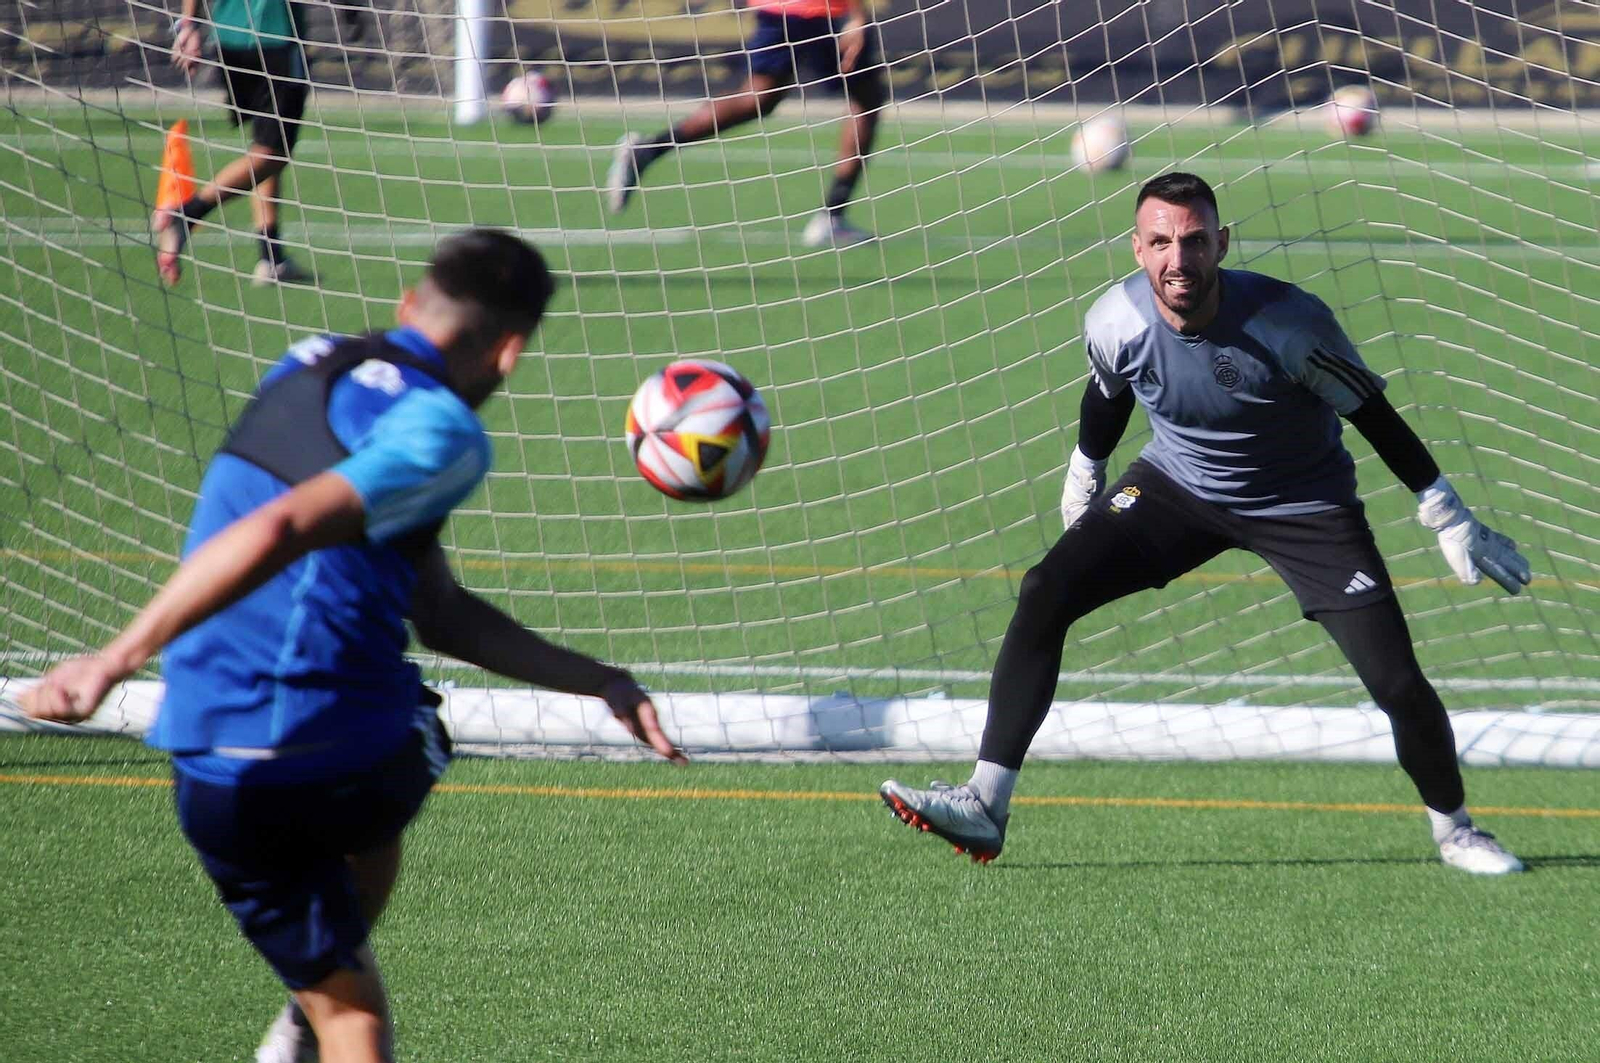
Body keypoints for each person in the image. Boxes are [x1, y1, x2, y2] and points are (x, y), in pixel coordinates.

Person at [20, 229, 686, 1063]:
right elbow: (289, 527)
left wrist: (602, 680)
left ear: (411, 302)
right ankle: (321, 1007)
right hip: (337, 748)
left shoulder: (303, 360)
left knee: (341, 959)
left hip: (206, 763)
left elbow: (430, 604)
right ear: (510, 352)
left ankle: (317, 992)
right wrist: (111, 659)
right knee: (407, 760)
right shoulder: (446, 433)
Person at [880, 172, 1532, 876]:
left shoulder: (1290, 324)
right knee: (1046, 588)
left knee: (1398, 682)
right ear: (1137, 249)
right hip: (1176, 487)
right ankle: (985, 803)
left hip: (1304, 505)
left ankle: (1457, 829)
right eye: (1160, 241)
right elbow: (1108, 393)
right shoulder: (1113, 321)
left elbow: (1372, 415)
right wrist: (1085, 473)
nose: (1178, 259)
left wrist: (1446, 514)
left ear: (1221, 243)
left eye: (1193, 241)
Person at [604, 0, 887, 249]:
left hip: (777, 8)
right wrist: (857, 14)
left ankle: (647, 150)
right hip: (819, 9)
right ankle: (832, 216)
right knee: (865, 99)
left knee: (759, 97)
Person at [155, 1, 363, 286]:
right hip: (276, 37)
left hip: (230, 37)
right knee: (272, 155)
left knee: (263, 147)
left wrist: (188, 24)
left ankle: (271, 257)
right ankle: (187, 214)